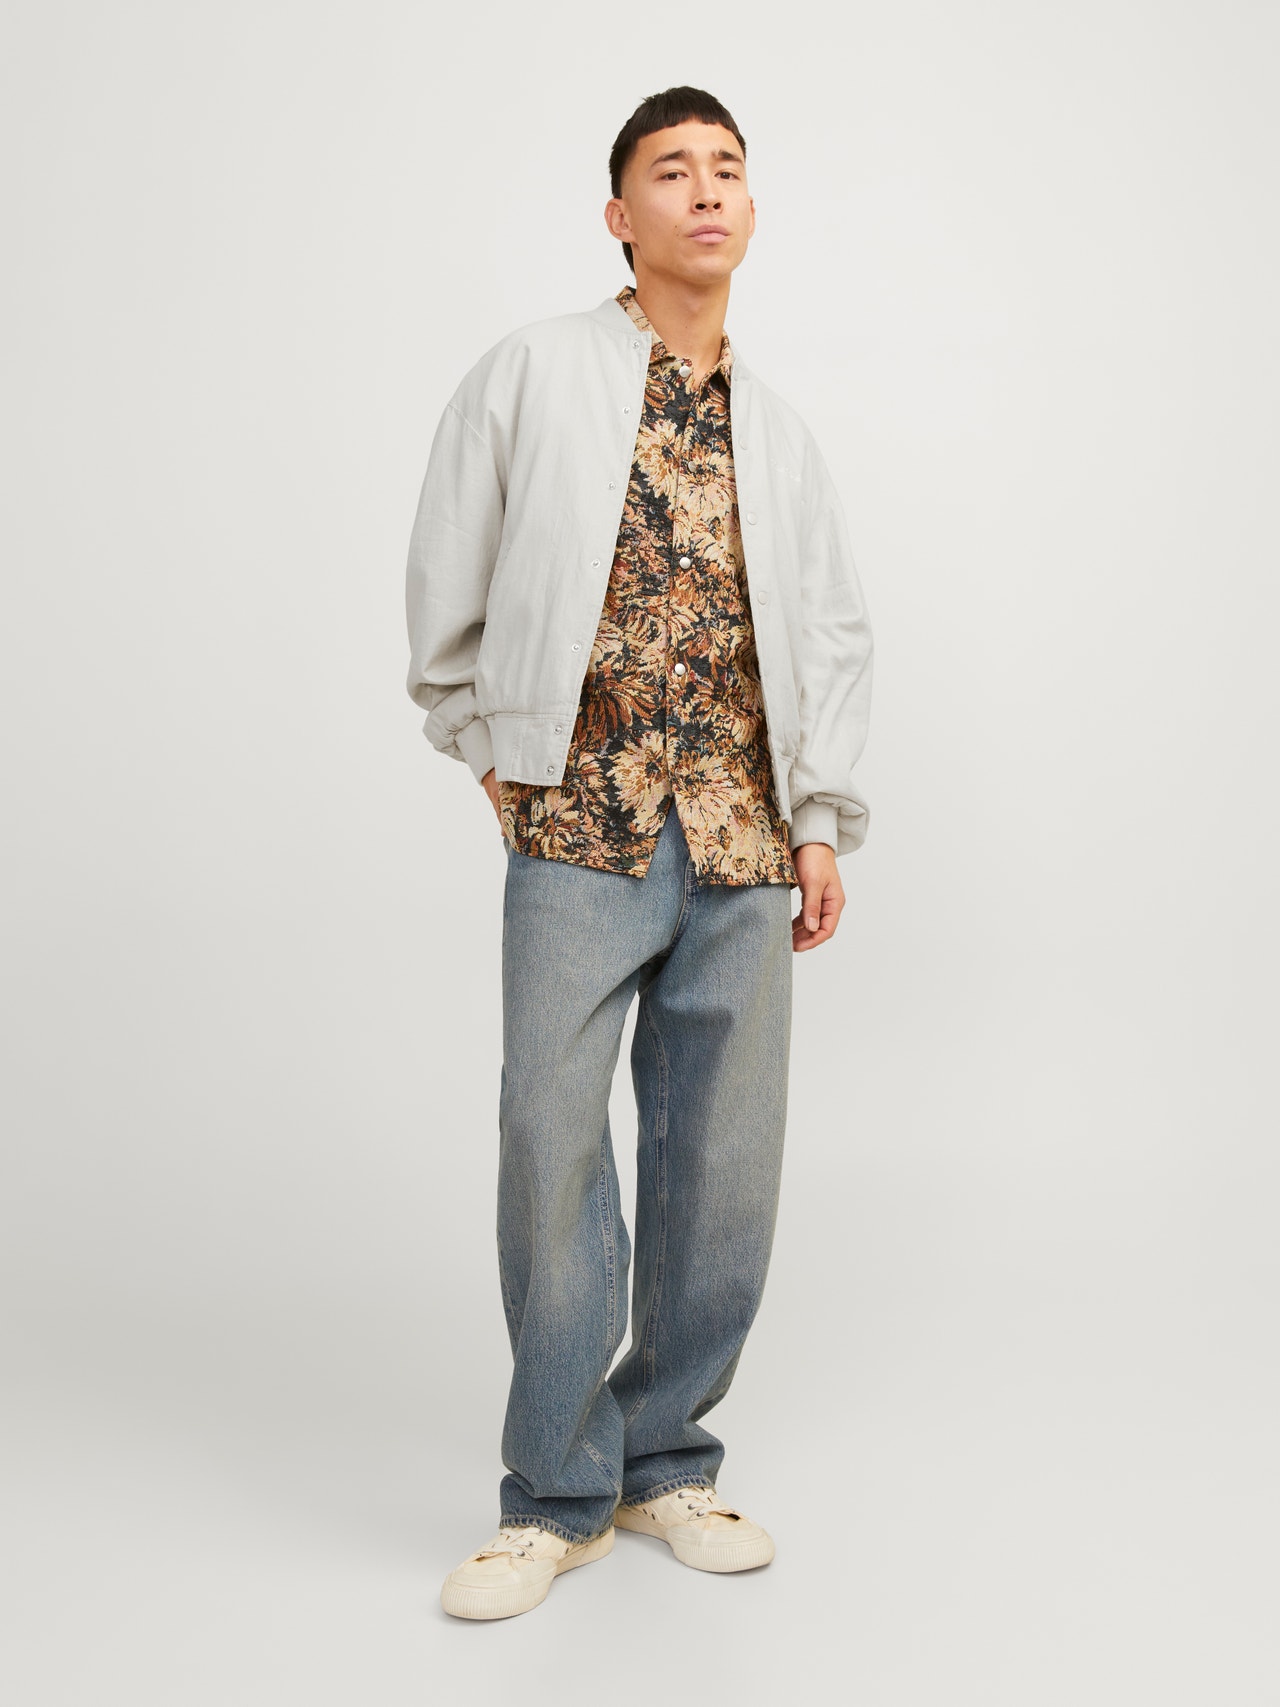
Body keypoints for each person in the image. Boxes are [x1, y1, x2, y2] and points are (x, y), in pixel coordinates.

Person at [404, 85, 874, 1621]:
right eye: (672, 171)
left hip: (744, 836)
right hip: (581, 821)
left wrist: (819, 821)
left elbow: (831, 635)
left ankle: (667, 1458)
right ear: (621, 215)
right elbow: (450, 569)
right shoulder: (533, 373)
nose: (706, 192)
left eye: (728, 169)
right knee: (551, 1144)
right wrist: (487, 746)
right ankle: (554, 1494)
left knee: (722, 1167)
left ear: (753, 209)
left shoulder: (779, 433)